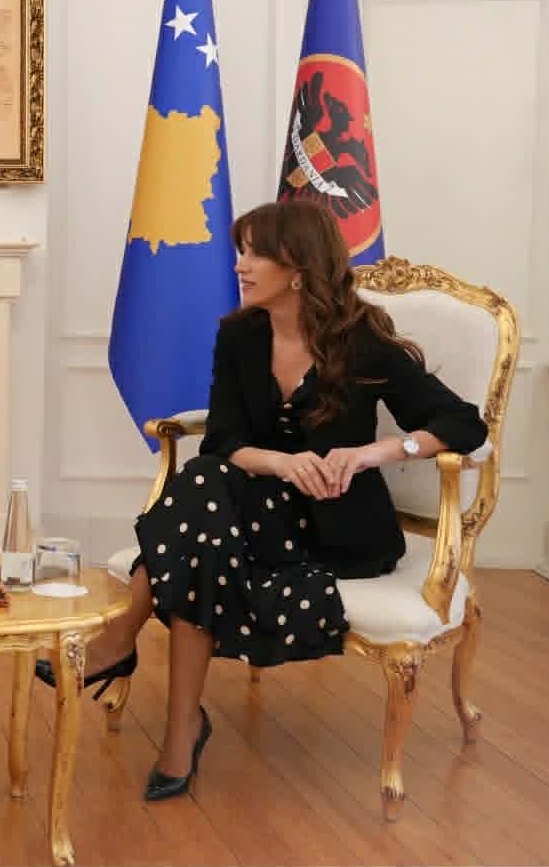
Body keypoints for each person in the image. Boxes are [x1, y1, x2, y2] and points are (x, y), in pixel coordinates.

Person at [39, 200, 485, 801]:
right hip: (254, 515)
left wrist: (373, 452)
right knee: (206, 495)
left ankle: (124, 644)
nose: (240, 265)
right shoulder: (240, 335)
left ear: (297, 267)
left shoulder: (362, 339)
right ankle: (178, 730)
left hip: (344, 528)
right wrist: (282, 462)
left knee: (201, 512)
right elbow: (223, 441)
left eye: (254, 254)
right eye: (240, 251)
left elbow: (462, 422)